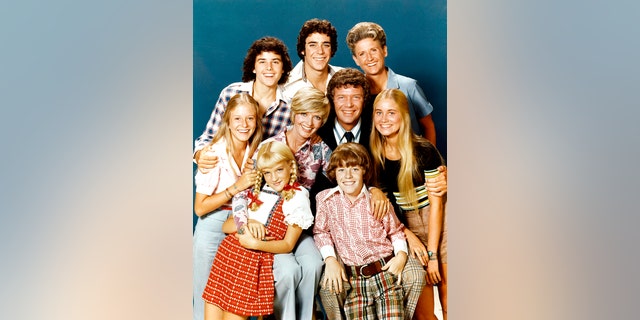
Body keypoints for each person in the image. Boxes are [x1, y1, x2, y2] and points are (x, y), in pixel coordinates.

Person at [312, 68, 427, 320]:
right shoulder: (318, 133)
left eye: (356, 97)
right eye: (341, 97)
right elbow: (318, 204)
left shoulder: (377, 132)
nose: (348, 104)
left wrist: (374, 190)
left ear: (366, 100)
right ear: (331, 99)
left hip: (380, 219)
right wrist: (331, 257)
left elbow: (386, 188)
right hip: (330, 221)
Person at [202, 141, 314, 320]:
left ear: (290, 166)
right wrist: (247, 222)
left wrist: (255, 243)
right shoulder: (260, 189)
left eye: (279, 170)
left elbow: (287, 245)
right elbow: (226, 226)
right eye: (267, 172)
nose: (274, 178)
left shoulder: (298, 197)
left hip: (251, 263)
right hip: (226, 256)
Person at [252, 86, 331, 319]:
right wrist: (245, 220)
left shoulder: (320, 149)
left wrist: (374, 189)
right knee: (288, 272)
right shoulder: (269, 146)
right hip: (271, 227)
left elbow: (345, 174)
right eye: (304, 114)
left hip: (299, 226)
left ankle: (307, 316)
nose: (309, 122)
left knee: (314, 265)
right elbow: (247, 188)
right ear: (294, 113)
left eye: (317, 117)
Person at [370, 89, 447, 320]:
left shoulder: (423, 149)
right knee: (422, 312)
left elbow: (437, 206)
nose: (384, 119)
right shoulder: (375, 154)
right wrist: (408, 236)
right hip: (405, 225)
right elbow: (385, 209)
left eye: (391, 113)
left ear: (403, 116)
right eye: (379, 113)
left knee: (447, 300)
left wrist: (432, 255)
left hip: (440, 225)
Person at [314, 142, 411, 320]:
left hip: (385, 274)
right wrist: (330, 259)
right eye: (341, 170)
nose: (348, 176)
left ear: (364, 171)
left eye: (354, 169)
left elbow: (395, 231)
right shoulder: (326, 200)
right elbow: (321, 232)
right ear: (334, 173)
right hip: (355, 282)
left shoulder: (377, 201)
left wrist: (401, 256)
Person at [192, 93, 264, 320]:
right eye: (238, 119)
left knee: (236, 300)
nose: (244, 125)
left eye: (250, 119)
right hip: (213, 222)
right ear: (228, 122)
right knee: (206, 297)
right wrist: (236, 187)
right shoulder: (213, 153)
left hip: (243, 224)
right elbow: (200, 208)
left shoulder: (258, 150)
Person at [194, 36, 294, 169]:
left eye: (275, 62)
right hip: (224, 170)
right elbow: (209, 136)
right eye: (262, 61)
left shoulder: (290, 108)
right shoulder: (231, 93)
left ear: (283, 69)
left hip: (261, 178)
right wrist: (200, 154)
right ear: (253, 68)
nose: (269, 67)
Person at [346, 22, 437, 147]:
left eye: (373, 50)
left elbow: (428, 126)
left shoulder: (409, 86)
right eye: (362, 54)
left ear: (384, 50)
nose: (369, 58)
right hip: (372, 163)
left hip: (409, 160)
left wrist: (430, 161)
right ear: (356, 59)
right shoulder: (355, 93)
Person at [283, 18, 343, 99]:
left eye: (326, 45)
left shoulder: (344, 77)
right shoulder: (284, 84)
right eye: (313, 45)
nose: (320, 51)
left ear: (332, 50)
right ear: (302, 50)